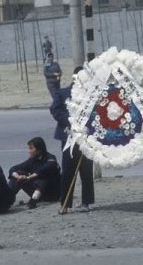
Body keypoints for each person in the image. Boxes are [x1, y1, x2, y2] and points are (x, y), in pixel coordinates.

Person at [51, 66, 95, 213]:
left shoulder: (91, 95)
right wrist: (70, 121)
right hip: (68, 136)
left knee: (86, 170)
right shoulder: (63, 93)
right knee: (68, 170)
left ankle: (86, 202)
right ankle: (65, 204)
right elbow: (55, 110)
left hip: (86, 137)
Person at [8, 137, 61, 209]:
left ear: (39, 150)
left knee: (45, 175)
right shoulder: (32, 160)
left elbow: (44, 169)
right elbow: (14, 168)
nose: (29, 151)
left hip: (51, 194)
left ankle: (34, 199)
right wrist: (17, 176)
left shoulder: (50, 158)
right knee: (19, 172)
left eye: (31, 148)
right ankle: (8, 199)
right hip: (37, 190)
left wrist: (29, 177)